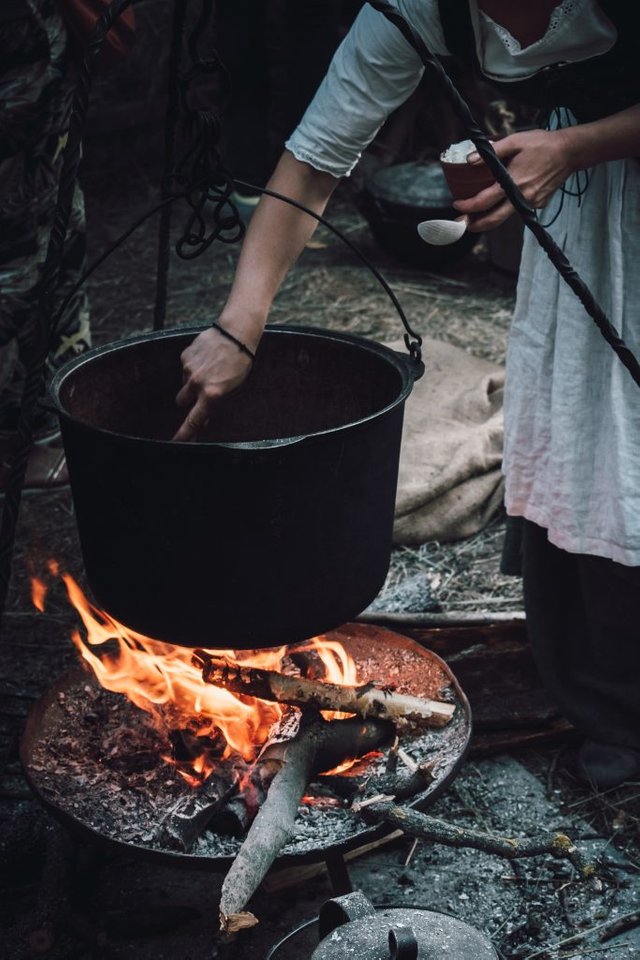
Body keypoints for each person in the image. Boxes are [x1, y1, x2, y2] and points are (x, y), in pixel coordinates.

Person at [175, 1, 640, 789]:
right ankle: (616, 704)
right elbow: (316, 159)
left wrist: (574, 147)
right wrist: (239, 326)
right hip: (595, 223)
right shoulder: (418, 6)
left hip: (597, 164)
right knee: (596, 439)